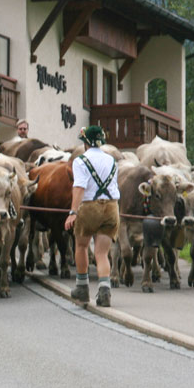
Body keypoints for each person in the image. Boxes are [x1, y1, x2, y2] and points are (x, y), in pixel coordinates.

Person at [64, 125, 120, 307]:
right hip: (112, 207)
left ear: (86, 143)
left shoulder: (80, 161)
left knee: (81, 246)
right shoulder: (112, 160)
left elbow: (79, 187)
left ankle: (82, 288)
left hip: (89, 207)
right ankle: (105, 291)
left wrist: (72, 212)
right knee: (102, 253)